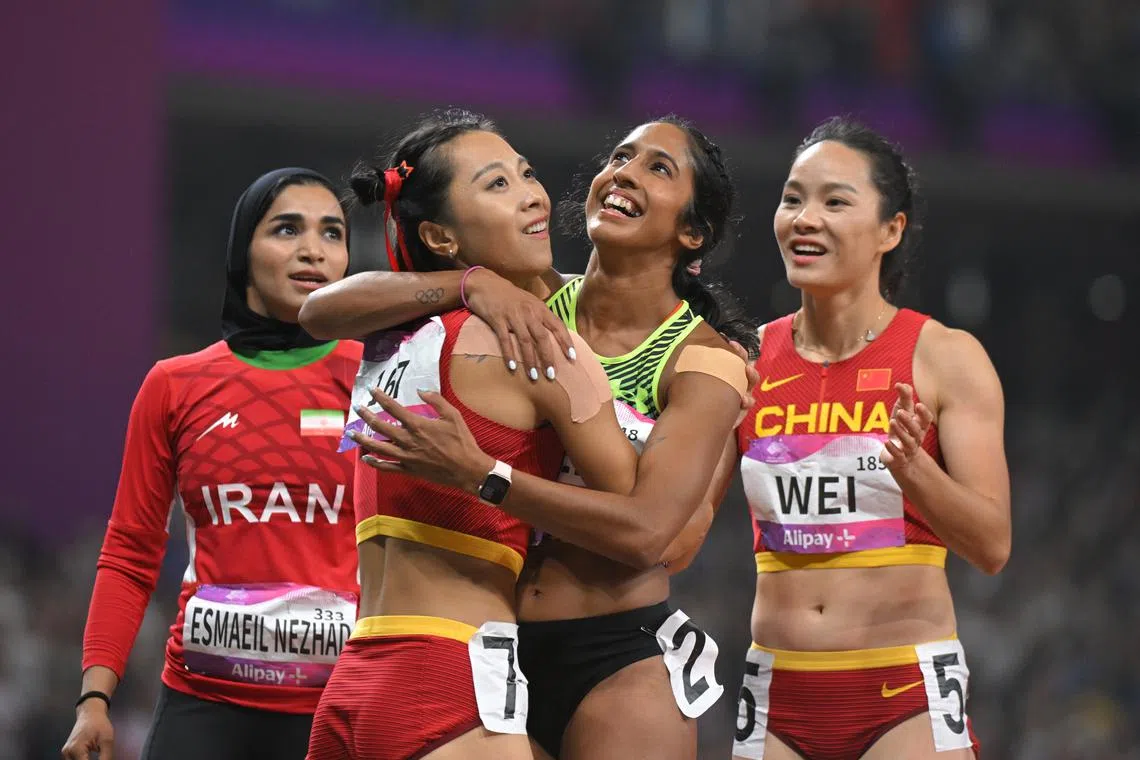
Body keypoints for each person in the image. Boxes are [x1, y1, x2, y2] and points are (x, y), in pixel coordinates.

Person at [303, 114, 755, 760]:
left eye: (657, 168)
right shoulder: (527, 303)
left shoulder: (705, 360)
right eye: (620, 156)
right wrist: (469, 282)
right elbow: (322, 310)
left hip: (613, 658)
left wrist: (485, 476)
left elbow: (655, 538)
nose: (625, 173)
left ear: (692, 232)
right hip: (494, 646)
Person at [731, 117, 1011, 760]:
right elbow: (680, 527)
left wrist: (916, 470)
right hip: (776, 694)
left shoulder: (945, 358)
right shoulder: (744, 361)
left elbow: (992, 546)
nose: (805, 219)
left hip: (904, 694)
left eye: (835, 202)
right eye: (793, 199)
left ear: (891, 229)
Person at [61, 168, 362, 760]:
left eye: (332, 233)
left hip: (334, 708)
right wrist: (94, 699)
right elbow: (129, 553)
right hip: (201, 706)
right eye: (287, 229)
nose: (313, 250)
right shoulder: (174, 385)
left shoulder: (378, 374)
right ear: (243, 249)